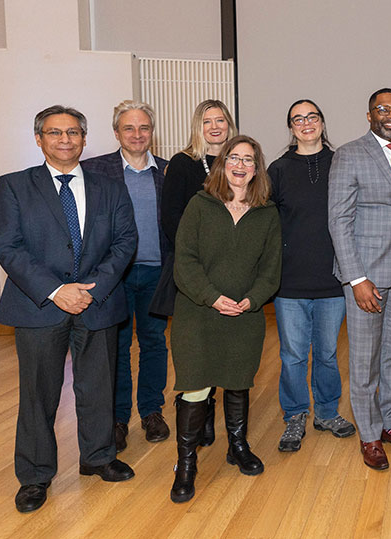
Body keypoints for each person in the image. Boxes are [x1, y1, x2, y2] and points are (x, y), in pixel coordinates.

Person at [0, 105, 138, 513]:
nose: (65, 140)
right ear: (39, 139)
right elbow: (8, 246)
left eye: (73, 132)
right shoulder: (15, 186)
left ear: (85, 139)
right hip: (38, 306)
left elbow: (125, 240)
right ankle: (35, 476)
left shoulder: (109, 186)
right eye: (55, 133)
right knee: (38, 396)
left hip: (97, 302)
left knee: (98, 387)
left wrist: (91, 289)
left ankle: (98, 457)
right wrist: (57, 290)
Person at [168, 135, 281, 503]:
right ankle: (186, 465)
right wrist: (213, 298)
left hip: (244, 315)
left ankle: (238, 447)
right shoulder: (199, 206)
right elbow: (184, 261)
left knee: (237, 381)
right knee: (196, 385)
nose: (240, 165)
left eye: (249, 160)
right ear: (222, 164)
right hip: (198, 313)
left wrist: (252, 300)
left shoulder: (267, 213)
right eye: (234, 157)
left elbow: (270, 270)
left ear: (256, 169)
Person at [328, 88, 391, 471]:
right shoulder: (350, 154)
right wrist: (356, 278)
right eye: (382, 109)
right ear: (369, 115)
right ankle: (369, 434)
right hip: (366, 274)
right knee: (365, 358)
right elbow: (339, 220)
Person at [82, 100, 171, 453]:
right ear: (116, 132)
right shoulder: (94, 171)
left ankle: (151, 412)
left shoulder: (166, 171)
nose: (137, 134)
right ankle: (117, 418)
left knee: (154, 344)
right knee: (114, 348)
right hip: (112, 277)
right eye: (129, 128)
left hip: (156, 274)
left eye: (144, 128)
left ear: (152, 132)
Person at [269, 99, 355, 452]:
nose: (306, 123)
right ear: (291, 127)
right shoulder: (278, 169)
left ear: (322, 122)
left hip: (333, 280)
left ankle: (326, 412)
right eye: (298, 119)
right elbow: (267, 224)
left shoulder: (341, 164)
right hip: (289, 283)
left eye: (312, 117)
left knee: (327, 353)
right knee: (292, 355)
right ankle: (294, 416)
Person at [154, 99, 237, 447]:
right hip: (194, 275)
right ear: (197, 128)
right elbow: (171, 219)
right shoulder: (183, 163)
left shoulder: (241, 162)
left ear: (230, 125)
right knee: (197, 349)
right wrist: (201, 263)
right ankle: (194, 412)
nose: (215, 127)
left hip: (233, 273)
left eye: (220, 120)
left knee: (225, 349)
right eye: (207, 122)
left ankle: (208, 412)